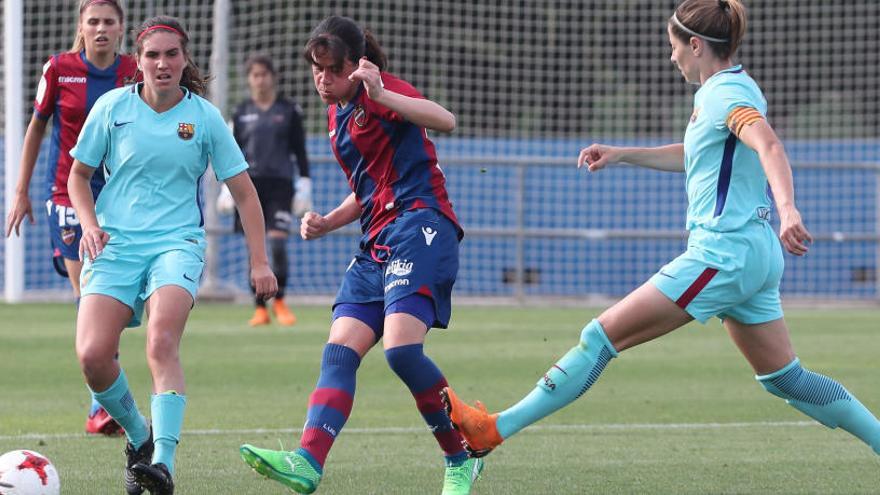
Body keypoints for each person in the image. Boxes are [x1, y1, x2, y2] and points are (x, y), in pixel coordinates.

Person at [442, 0, 880, 464]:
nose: (671, 57)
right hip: (753, 251)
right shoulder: (733, 88)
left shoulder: (722, 96)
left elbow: (767, 143)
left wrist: (789, 207)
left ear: (695, 45)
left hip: (722, 253)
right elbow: (699, 156)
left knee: (600, 337)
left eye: (674, 47)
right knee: (785, 379)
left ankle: (492, 430)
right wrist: (623, 153)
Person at [239, 15, 483, 495]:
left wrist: (383, 93)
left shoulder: (384, 91)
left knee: (400, 351)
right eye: (315, 70)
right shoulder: (335, 118)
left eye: (331, 70)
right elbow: (367, 191)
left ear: (357, 66)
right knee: (339, 350)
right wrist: (329, 220)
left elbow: (446, 120)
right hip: (376, 241)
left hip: (421, 223)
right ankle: (308, 462)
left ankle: (461, 456)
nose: (322, 80)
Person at [68, 16, 277, 495]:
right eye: (152, 55)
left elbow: (244, 193)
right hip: (115, 244)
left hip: (176, 244)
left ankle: (162, 464)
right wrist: (90, 224)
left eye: (171, 55)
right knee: (93, 356)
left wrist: (259, 261)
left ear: (185, 60)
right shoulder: (111, 107)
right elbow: (79, 176)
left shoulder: (204, 117)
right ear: (138, 62)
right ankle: (139, 439)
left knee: (161, 342)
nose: (162, 64)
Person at [4, 0, 137, 437]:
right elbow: (37, 127)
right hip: (67, 195)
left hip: (118, 201)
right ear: (81, 25)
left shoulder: (134, 71)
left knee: (114, 301)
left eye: (109, 21)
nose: (101, 28)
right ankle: (99, 404)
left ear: (121, 28)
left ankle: (103, 397)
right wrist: (20, 191)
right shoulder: (59, 69)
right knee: (90, 296)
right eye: (93, 21)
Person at [229, 53, 312, 327]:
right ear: (249, 79)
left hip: (280, 186)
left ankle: (280, 302)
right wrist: (224, 190)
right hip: (248, 187)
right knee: (254, 248)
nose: (260, 80)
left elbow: (299, 151)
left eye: (264, 74)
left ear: (272, 77)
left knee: (276, 243)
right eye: (255, 75)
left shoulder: (288, 110)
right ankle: (260, 309)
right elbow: (230, 152)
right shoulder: (240, 113)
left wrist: (305, 183)